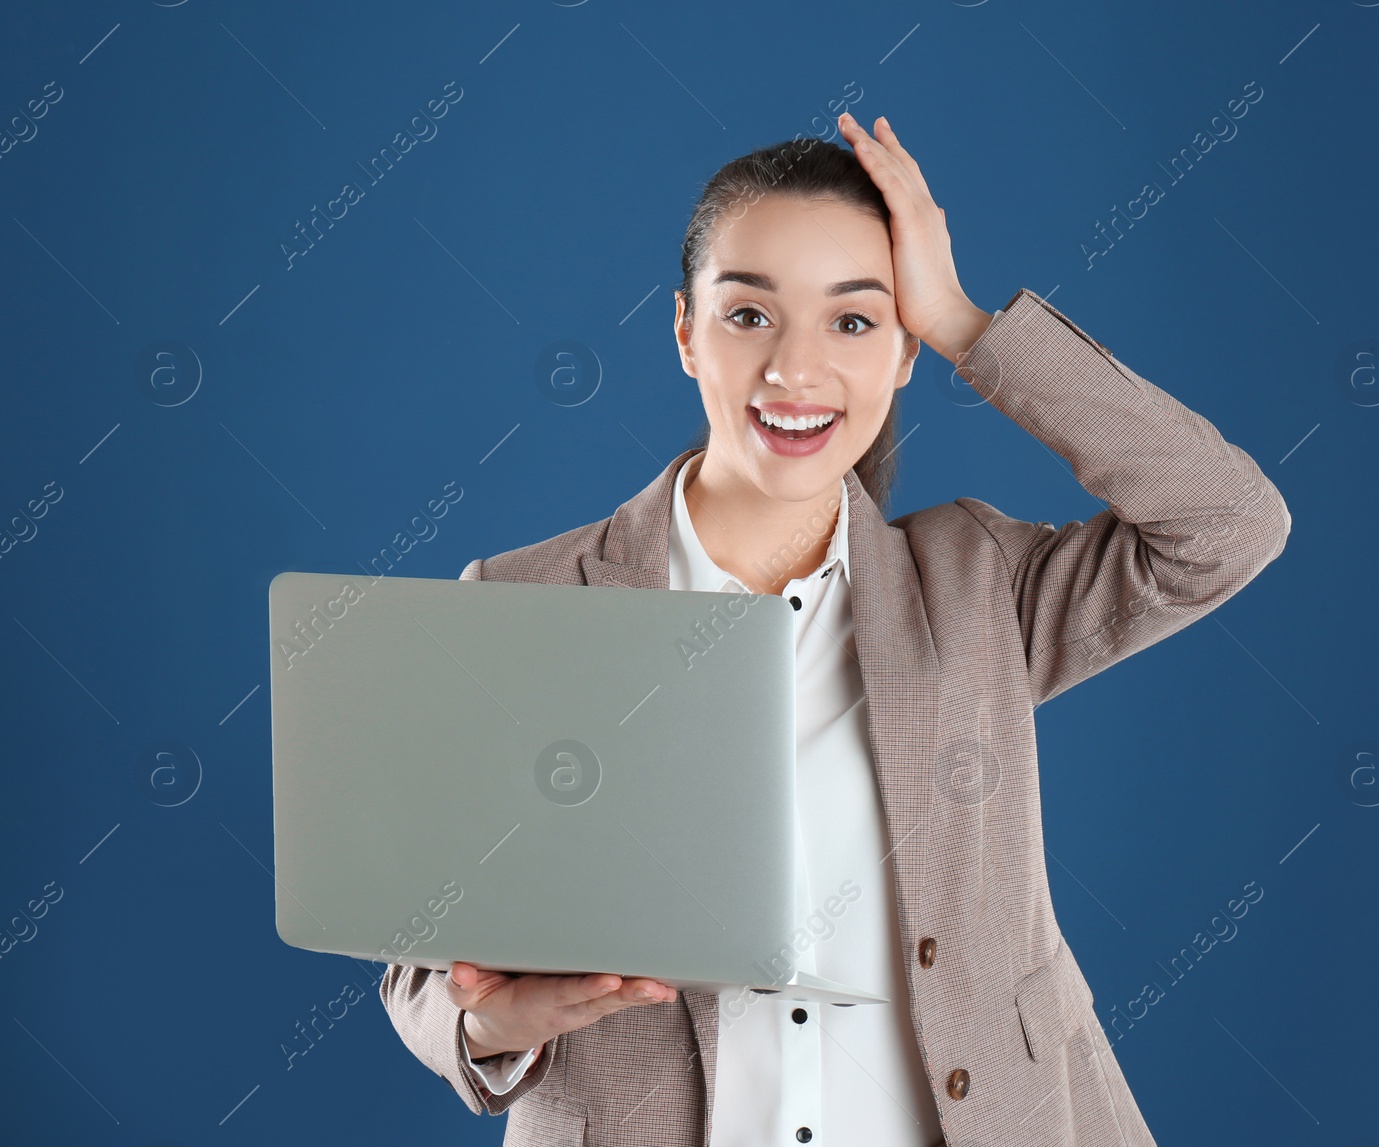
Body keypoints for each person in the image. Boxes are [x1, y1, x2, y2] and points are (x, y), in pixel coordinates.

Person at [379, 112, 1290, 1146]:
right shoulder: (520, 600)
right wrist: (491, 1022)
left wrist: (965, 322)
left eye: (854, 321)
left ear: (904, 352)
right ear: (685, 333)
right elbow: (423, 966)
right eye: (749, 316)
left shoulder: (975, 586)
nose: (795, 372)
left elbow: (1225, 524)